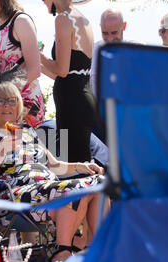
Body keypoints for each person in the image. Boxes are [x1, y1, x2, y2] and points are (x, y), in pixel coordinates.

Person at [0, 81, 108, 262]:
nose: (7, 105)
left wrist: (82, 166)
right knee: (76, 190)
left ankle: (97, 251)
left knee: (100, 183)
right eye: (0, 101)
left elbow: (54, 165)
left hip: (47, 187)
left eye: (12, 101)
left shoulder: (28, 131)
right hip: (14, 195)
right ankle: (62, 252)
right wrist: (2, 150)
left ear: (18, 105)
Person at [40, 0, 100, 163]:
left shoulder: (63, 19)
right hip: (83, 98)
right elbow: (70, 74)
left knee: (76, 167)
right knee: (82, 163)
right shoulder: (82, 19)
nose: (43, 2)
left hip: (72, 104)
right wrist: (41, 67)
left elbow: (61, 69)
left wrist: (40, 56)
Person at [0, 0, 46, 128]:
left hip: (26, 105)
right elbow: (4, 72)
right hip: (6, 104)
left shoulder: (21, 21)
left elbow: (34, 70)